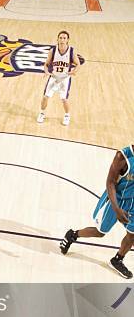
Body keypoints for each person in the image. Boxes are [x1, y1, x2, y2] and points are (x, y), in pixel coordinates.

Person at [60, 145, 134, 279]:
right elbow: (110, 182)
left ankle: (117, 259)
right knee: (100, 232)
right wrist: (116, 209)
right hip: (116, 199)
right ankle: (73, 235)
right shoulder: (123, 157)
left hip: (133, 201)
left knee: (132, 234)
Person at [37, 31, 80, 126]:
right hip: (54, 76)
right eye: (60, 38)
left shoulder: (71, 51)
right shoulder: (53, 51)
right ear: (57, 39)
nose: (62, 40)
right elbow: (46, 64)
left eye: (64, 38)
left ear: (68, 40)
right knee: (45, 97)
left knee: (64, 99)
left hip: (64, 78)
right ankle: (42, 113)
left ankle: (67, 115)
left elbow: (78, 64)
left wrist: (74, 71)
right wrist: (46, 71)